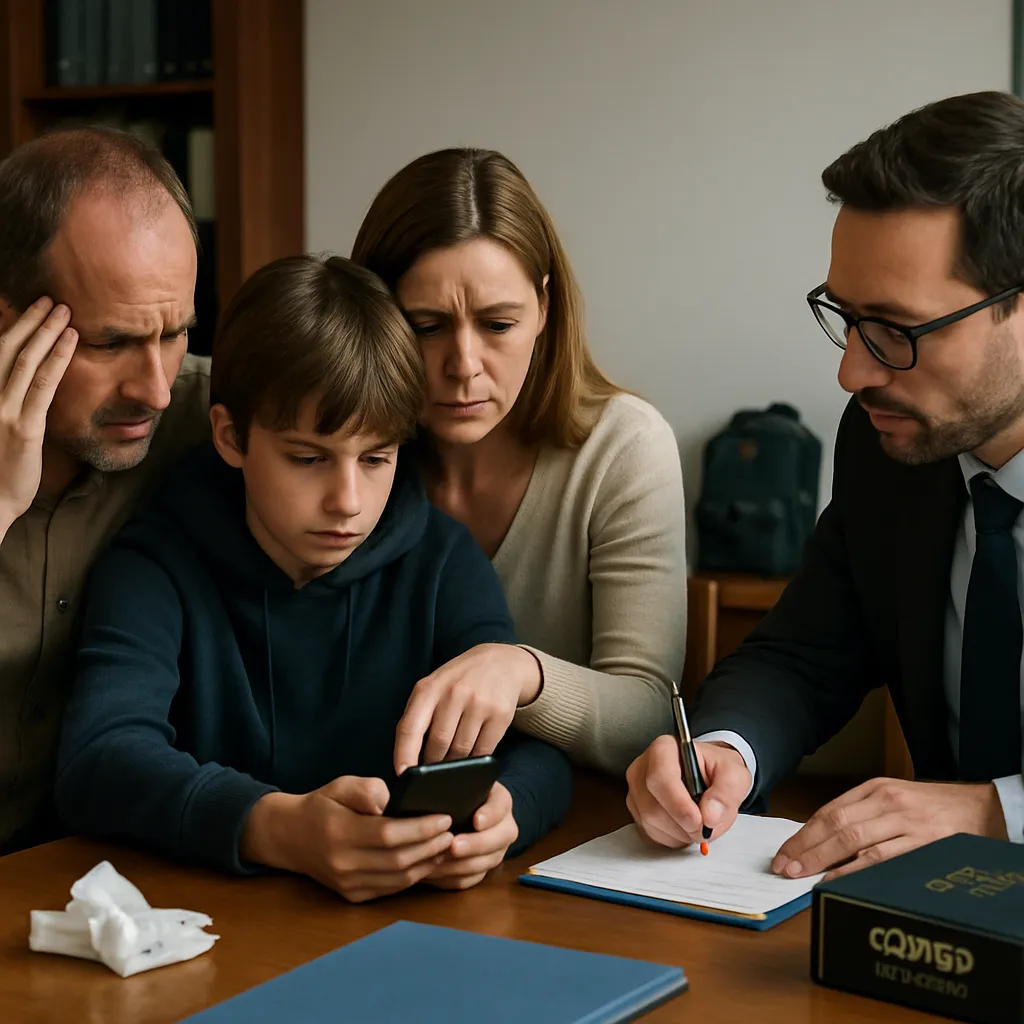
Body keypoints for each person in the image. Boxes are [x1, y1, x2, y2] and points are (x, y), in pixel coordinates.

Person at [55, 254, 572, 902]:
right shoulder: (155, 563)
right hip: (208, 930)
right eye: (308, 458)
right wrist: (276, 828)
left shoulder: (443, 562)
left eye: (377, 457)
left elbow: (540, 752)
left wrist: (505, 815)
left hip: (414, 934)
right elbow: (99, 760)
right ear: (231, 436)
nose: (347, 501)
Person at [626, 90, 1024, 877]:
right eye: (844, 318)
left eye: (896, 332)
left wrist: (993, 812)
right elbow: (802, 655)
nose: (852, 372)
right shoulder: (887, 445)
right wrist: (723, 751)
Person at [351, 149, 687, 777]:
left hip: (573, 827)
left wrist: (520, 673)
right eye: (425, 327)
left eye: (498, 324)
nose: (464, 366)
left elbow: (650, 713)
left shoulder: (624, 448)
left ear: (544, 310)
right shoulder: (340, 459)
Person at [0, 126, 208, 855]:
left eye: (176, 333)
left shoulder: (210, 417)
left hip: (106, 878)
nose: (153, 388)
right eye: (112, 343)